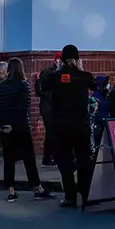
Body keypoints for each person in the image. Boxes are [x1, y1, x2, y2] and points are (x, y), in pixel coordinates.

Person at [0, 57, 51, 200]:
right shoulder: (24, 85)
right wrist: (15, 124)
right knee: (29, 158)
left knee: (9, 159)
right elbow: (24, 109)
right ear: (21, 69)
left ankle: (11, 191)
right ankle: (37, 188)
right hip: (21, 127)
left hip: (6, 128)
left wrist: (1, 125)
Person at [44, 45, 95, 208]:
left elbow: (42, 87)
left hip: (61, 125)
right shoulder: (85, 76)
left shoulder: (54, 77)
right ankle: (86, 193)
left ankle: (70, 196)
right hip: (81, 124)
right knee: (84, 159)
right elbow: (95, 87)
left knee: (64, 160)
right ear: (78, 59)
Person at [35, 53, 61, 167]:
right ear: (56, 60)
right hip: (49, 106)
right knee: (51, 132)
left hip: (51, 106)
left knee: (54, 132)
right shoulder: (50, 73)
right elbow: (43, 91)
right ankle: (47, 158)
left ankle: (52, 157)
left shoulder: (53, 72)